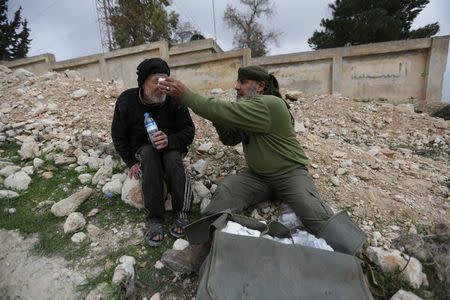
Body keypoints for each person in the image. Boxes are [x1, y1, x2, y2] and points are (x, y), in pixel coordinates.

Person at [157, 65, 335, 272]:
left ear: (259, 86)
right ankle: (198, 251)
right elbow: (230, 138)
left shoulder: (271, 104)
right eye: (237, 81)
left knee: (310, 208)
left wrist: (186, 95)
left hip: (290, 173)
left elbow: (225, 109)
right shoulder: (248, 108)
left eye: (243, 82)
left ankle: (349, 251)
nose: (236, 87)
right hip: (259, 176)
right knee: (228, 189)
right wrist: (218, 117)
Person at [111, 58, 195, 247]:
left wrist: (170, 140)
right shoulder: (126, 101)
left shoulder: (174, 100)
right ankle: (155, 219)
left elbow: (189, 131)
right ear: (143, 82)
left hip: (171, 146)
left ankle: (181, 213)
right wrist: (131, 161)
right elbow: (118, 136)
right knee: (148, 155)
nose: (161, 86)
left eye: (165, 80)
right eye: (155, 81)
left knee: (173, 158)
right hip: (143, 149)